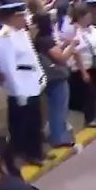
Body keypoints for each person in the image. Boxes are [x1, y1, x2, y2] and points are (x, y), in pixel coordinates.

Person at [0, 1, 46, 166]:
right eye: (21, 15)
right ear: (12, 17)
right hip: (19, 84)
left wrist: (41, 74)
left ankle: (35, 151)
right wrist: (17, 90)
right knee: (22, 123)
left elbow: (32, 56)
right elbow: (8, 67)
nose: (25, 19)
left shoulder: (22, 33)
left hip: (32, 81)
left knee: (35, 119)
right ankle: (24, 153)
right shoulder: (4, 37)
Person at [32, 12, 76, 148]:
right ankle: (58, 137)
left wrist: (63, 45)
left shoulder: (38, 40)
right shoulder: (46, 40)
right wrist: (72, 46)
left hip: (47, 77)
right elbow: (61, 58)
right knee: (59, 108)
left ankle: (56, 135)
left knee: (54, 107)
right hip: (56, 77)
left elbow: (53, 53)